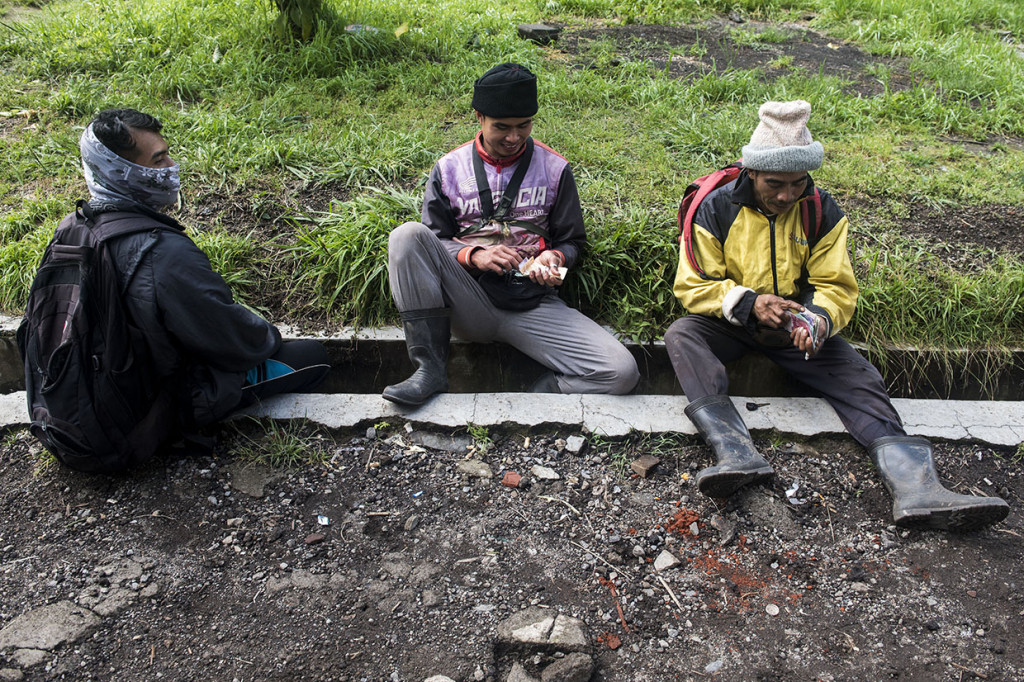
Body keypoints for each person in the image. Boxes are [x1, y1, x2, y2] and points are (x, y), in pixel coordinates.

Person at [665, 100, 1008, 530]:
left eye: (797, 183)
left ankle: (918, 490)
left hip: (794, 327)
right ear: (751, 172)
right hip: (732, 322)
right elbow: (693, 284)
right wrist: (750, 302)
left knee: (861, 377)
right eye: (775, 184)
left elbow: (836, 285)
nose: (786, 196)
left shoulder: (820, 209)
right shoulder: (715, 208)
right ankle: (735, 453)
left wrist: (818, 319)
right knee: (682, 335)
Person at [72, 108, 328, 460]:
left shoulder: (72, 230)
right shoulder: (163, 253)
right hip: (129, 425)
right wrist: (266, 333)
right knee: (313, 358)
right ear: (123, 171)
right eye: (158, 160)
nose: (171, 167)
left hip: (73, 410)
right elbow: (238, 343)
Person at [383, 63, 639, 405]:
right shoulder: (449, 169)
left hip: (532, 303)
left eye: (524, 125)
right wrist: (474, 255)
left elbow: (573, 241)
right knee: (406, 236)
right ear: (479, 117)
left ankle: (540, 394)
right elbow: (432, 242)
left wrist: (555, 257)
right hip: (467, 299)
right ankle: (429, 370)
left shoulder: (555, 169)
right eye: (501, 127)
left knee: (621, 372)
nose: (514, 138)